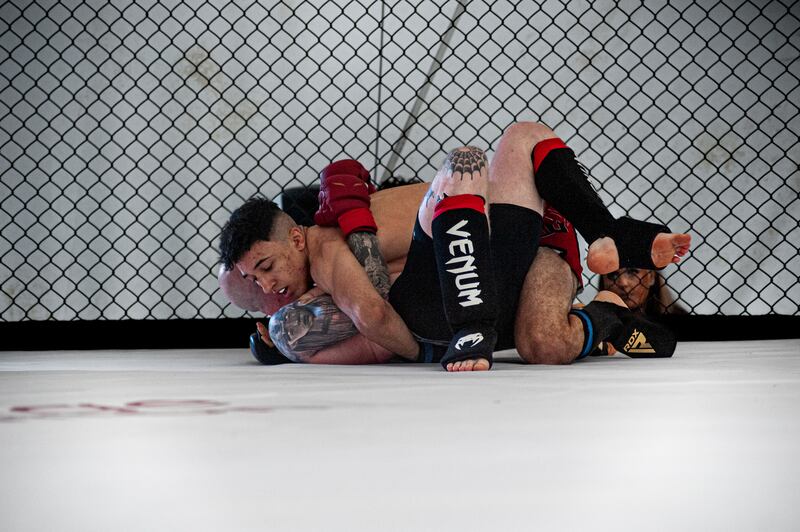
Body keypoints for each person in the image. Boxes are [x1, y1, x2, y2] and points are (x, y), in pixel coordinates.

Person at [219, 122, 691, 370]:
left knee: (491, 152)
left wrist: (420, 353)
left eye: (265, 267)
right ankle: (607, 309)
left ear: (296, 237)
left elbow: (376, 317)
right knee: (544, 345)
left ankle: (606, 235)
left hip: (528, 240)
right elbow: (242, 287)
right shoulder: (304, 273)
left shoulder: (331, 247)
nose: (267, 285)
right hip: (482, 262)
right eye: (253, 279)